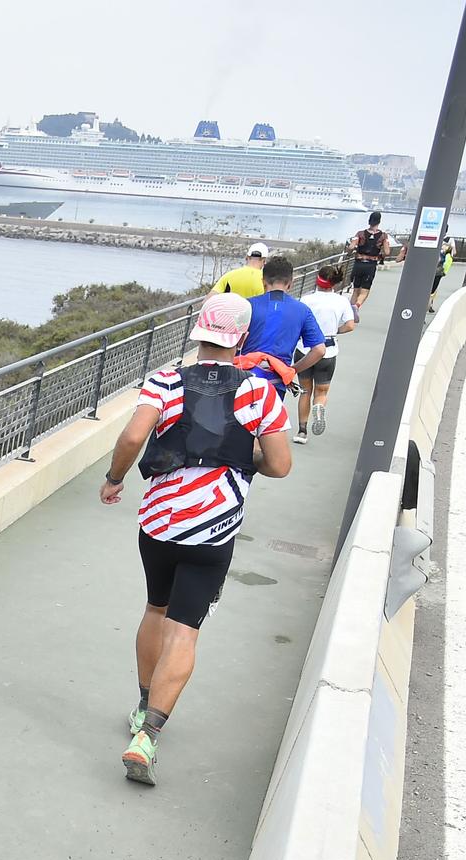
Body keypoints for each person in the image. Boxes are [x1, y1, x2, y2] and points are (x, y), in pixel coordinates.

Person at [98, 293, 294, 785]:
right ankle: (147, 738)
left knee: (155, 610)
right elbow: (280, 465)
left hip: (159, 523)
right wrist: (240, 450)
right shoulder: (261, 394)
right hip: (215, 530)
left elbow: (131, 438)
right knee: (185, 628)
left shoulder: (165, 381)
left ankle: (143, 706)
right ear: (242, 340)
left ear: (199, 334)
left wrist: (116, 478)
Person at [239, 256, 325, 396]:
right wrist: (292, 370)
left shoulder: (246, 305)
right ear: (290, 284)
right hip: (275, 383)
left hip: (243, 379)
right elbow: (320, 350)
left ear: (263, 282)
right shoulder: (302, 310)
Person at [297, 265, 358, 439]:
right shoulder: (341, 301)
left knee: (305, 391)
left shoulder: (306, 300)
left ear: (318, 279)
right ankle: (319, 406)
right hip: (328, 350)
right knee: (321, 392)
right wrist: (334, 331)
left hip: (305, 349)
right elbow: (350, 325)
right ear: (335, 283)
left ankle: (302, 431)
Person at [348, 212, 395, 311]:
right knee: (365, 290)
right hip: (371, 265)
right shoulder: (383, 236)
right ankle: (357, 306)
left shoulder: (360, 233)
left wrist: (350, 252)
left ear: (369, 220)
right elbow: (387, 252)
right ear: (379, 221)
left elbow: (351, 246)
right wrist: (380, 256)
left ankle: (349, 313)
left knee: (355, 290)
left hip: (358, 264)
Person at [429, 231, 455, 313]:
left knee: (426, 286)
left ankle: (425, 305)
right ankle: (430, 305)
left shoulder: (432, 237)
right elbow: (453, 252)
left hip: (429, 266)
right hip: (440, 269)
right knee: (433, 288)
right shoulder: (449, 240)